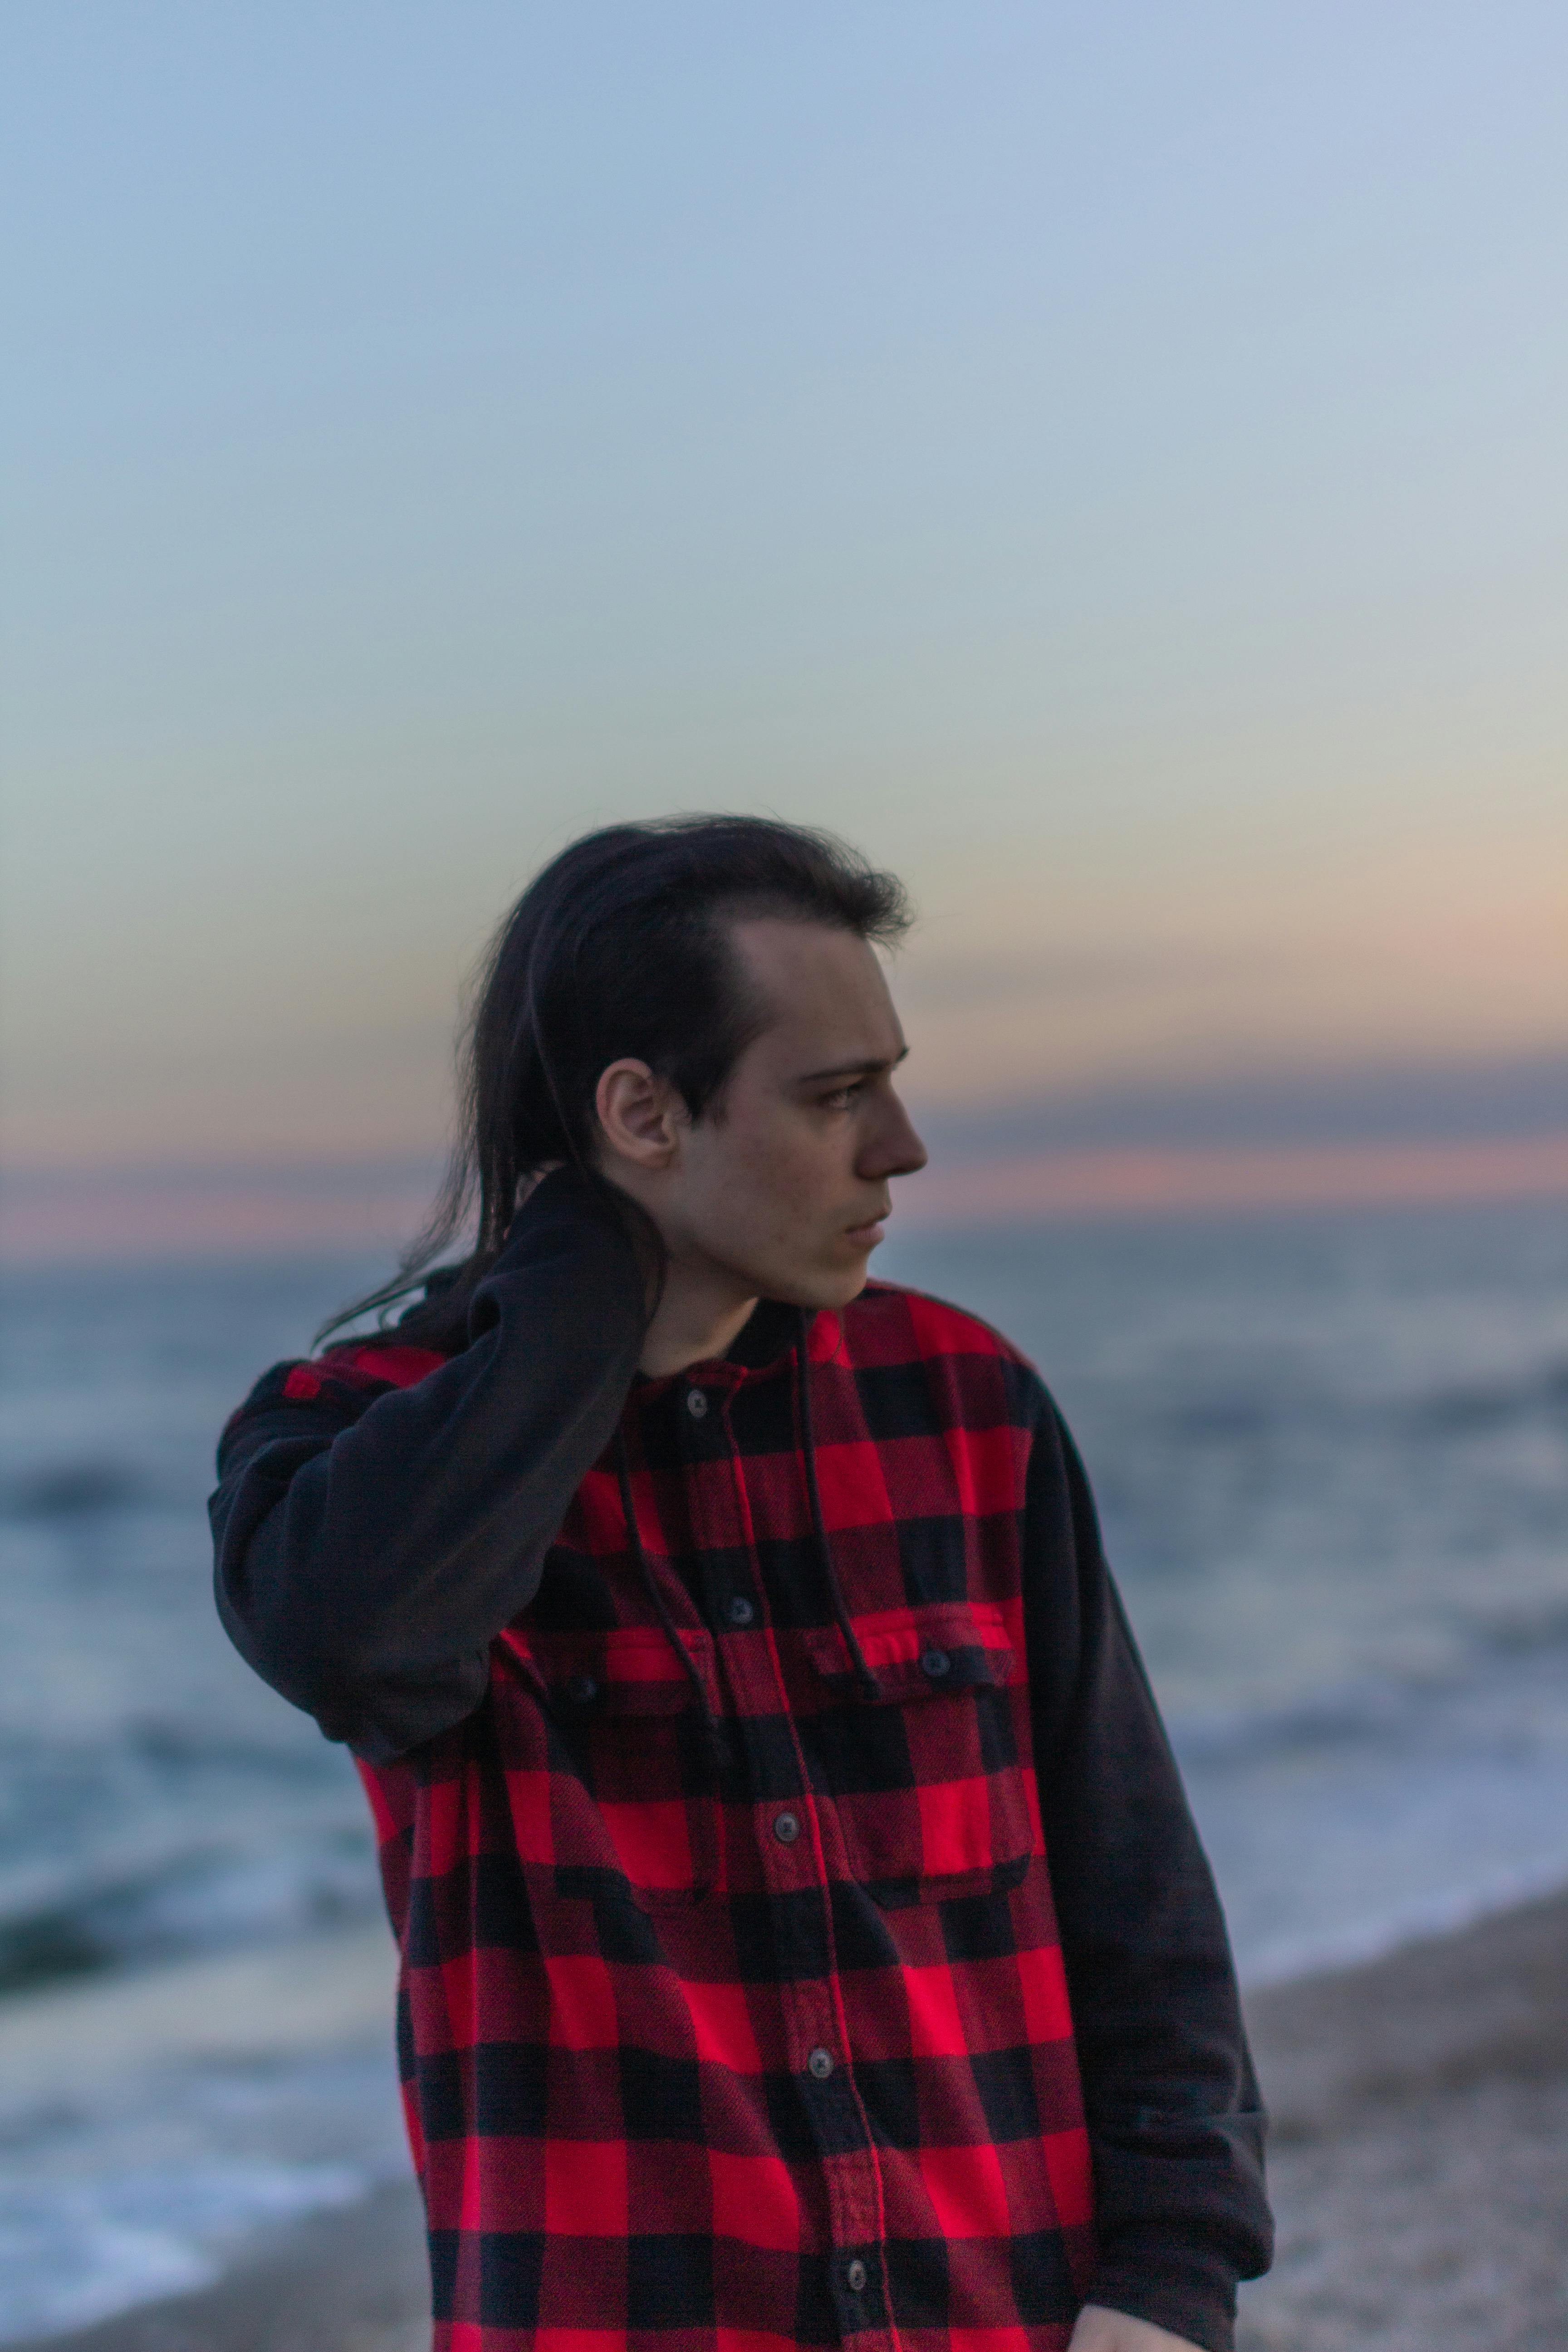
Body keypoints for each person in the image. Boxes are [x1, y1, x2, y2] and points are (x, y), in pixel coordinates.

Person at [211, 815, 1270, 2352]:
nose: (901, 1146)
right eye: (837, 1096)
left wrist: (1170, 2287)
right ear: (642, 1112)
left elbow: (1138, 1893)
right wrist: (579, 1280)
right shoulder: (358, 1443)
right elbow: (352, 1642)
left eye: (890, 1082)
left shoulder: (967, 1404)